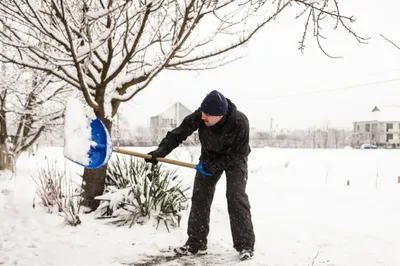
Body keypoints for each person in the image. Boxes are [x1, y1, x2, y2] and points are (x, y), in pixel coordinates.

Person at [145, 90, 255, 261]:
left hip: (235, 160)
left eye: (207, 115)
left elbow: (239, 155)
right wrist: (161, 151)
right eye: (202, 113)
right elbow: (178, 133)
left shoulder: (240, 121)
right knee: (200, 197)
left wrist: (217, 165)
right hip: (208, 158)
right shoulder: (200, 115)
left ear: (220, 115)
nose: (203, 117)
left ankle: (245, 245)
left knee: (235, 196)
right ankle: (196, 243)